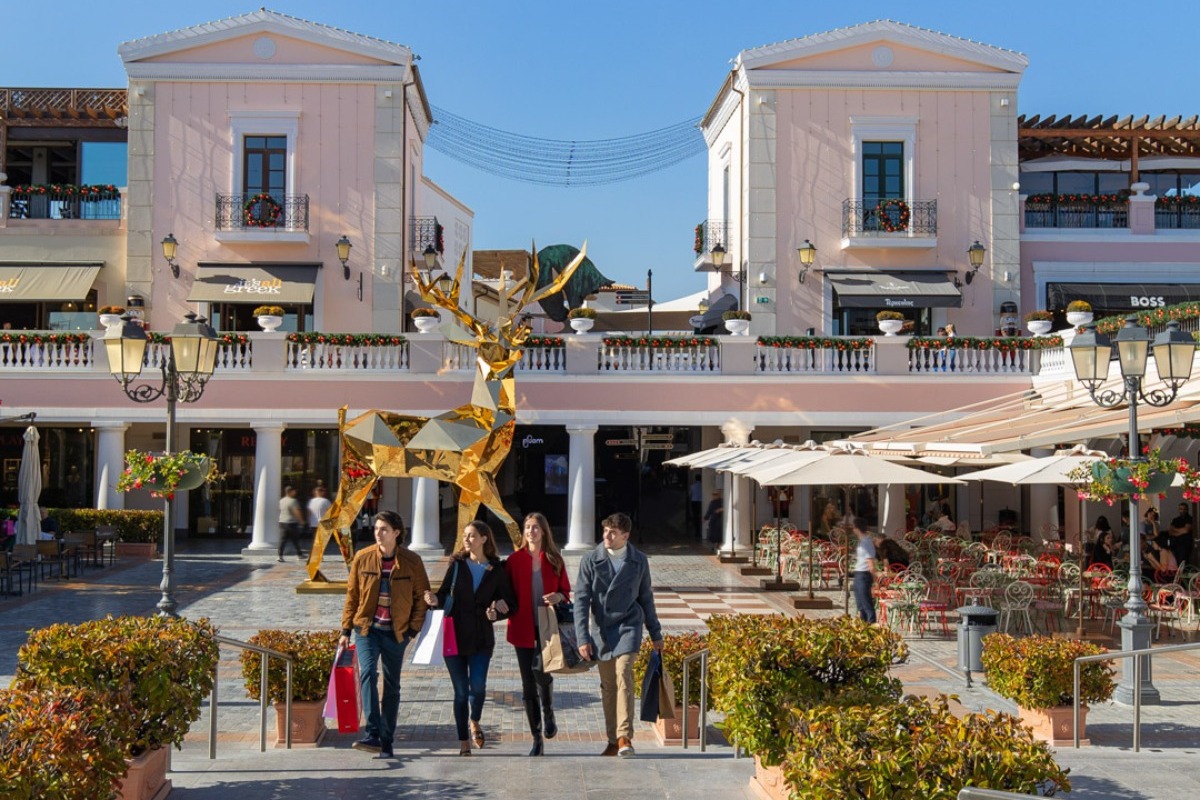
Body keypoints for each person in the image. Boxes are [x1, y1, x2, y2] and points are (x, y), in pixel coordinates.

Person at [339, 511, 430, 759]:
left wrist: (413, 629)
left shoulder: (412, 561)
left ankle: (387, 740)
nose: (378, 533)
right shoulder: (363, 557)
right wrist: (346, 629)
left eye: (384, 529)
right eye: (377, 529)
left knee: (392, 686)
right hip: (367, 629)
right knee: (368, 673)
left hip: (396, 632)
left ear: (397, 533)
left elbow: (422, 597)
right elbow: (352, 596)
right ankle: (373, 733)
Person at [423, 520, 516, 756]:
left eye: (472, 535)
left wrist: (497, 611)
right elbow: (445, 595)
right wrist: (435, 600)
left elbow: (509, 603)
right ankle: (463, 742)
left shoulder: (497, 568)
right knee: (461, 692)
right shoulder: (456, 564)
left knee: (478, 686)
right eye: (465, 535)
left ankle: (474, 720)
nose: (466, 539)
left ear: (484, 539)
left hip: (481, 638)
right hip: (454, 635)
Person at [575, 512, 663, 758]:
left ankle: (625, 737)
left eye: (613, 532)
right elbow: (581, 600)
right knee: (608, 686)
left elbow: (646, 598)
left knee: (624, 675)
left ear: (625, 535)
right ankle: (613, 740)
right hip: (602, 629)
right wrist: (582, 638)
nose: (607, 536)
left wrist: (655, 632)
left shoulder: (639, 561)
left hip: (628, 626)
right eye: (605, 531)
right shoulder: (591, 560)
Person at [504, 512, 571, 757]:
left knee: (541, 674)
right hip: (521, 626)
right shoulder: (513, 560)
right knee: (527, 685)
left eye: (535, 528)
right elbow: (504, 592)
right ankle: (536, 737)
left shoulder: (554, 559)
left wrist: (558, 597)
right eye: (527, 527)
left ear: (543, 532)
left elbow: (566, 592)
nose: (531, 531)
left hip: (546, 627)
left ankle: (549, 709)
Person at [851, 517, 877, 624]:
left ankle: (871, 625)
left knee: (866, 603)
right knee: (860, 604)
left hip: (864, 575)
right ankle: (863, 625)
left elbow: (870, 562)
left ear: (857, 528)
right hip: (859, 574)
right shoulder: (862, 541)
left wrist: (875, 580)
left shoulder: (866, 542)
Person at [277, 485, 306, 562]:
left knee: (282, 539)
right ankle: (299, 555)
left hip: (282, 522)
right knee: (295, 539)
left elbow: (280, 510)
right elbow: (297, 512)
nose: (295, 492)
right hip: (291, 523)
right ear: (290, 492)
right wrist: (302, 521)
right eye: (294, 491)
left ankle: (280, 555)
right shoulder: (293, 501)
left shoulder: (281, 501)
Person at [1167, 503, 1194, 567]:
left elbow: (1186, 530)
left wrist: (1175, 530)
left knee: (1183, 562)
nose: (1182, 511)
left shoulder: (1190, 519)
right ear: (1179, 510)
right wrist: (1180, 531)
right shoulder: (1175, 520)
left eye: (1184, 509)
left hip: (1185, 544)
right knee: (1176, 562)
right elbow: (1170, 531)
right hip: (1175, 544)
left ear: (1187, 510)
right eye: (1181, 509)